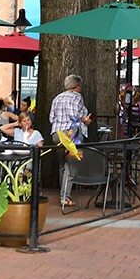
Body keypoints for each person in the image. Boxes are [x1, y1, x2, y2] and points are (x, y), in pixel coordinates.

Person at [49, 74, 92, 208]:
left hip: (57, 133)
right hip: (72, 133)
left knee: (62, 164)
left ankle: (64, 194)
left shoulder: (57, 98)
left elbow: (51, 118)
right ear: (77, 86)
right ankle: (65, 197)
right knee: (72, 164)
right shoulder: (77, 96)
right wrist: (85, 120)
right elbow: (74, 114)